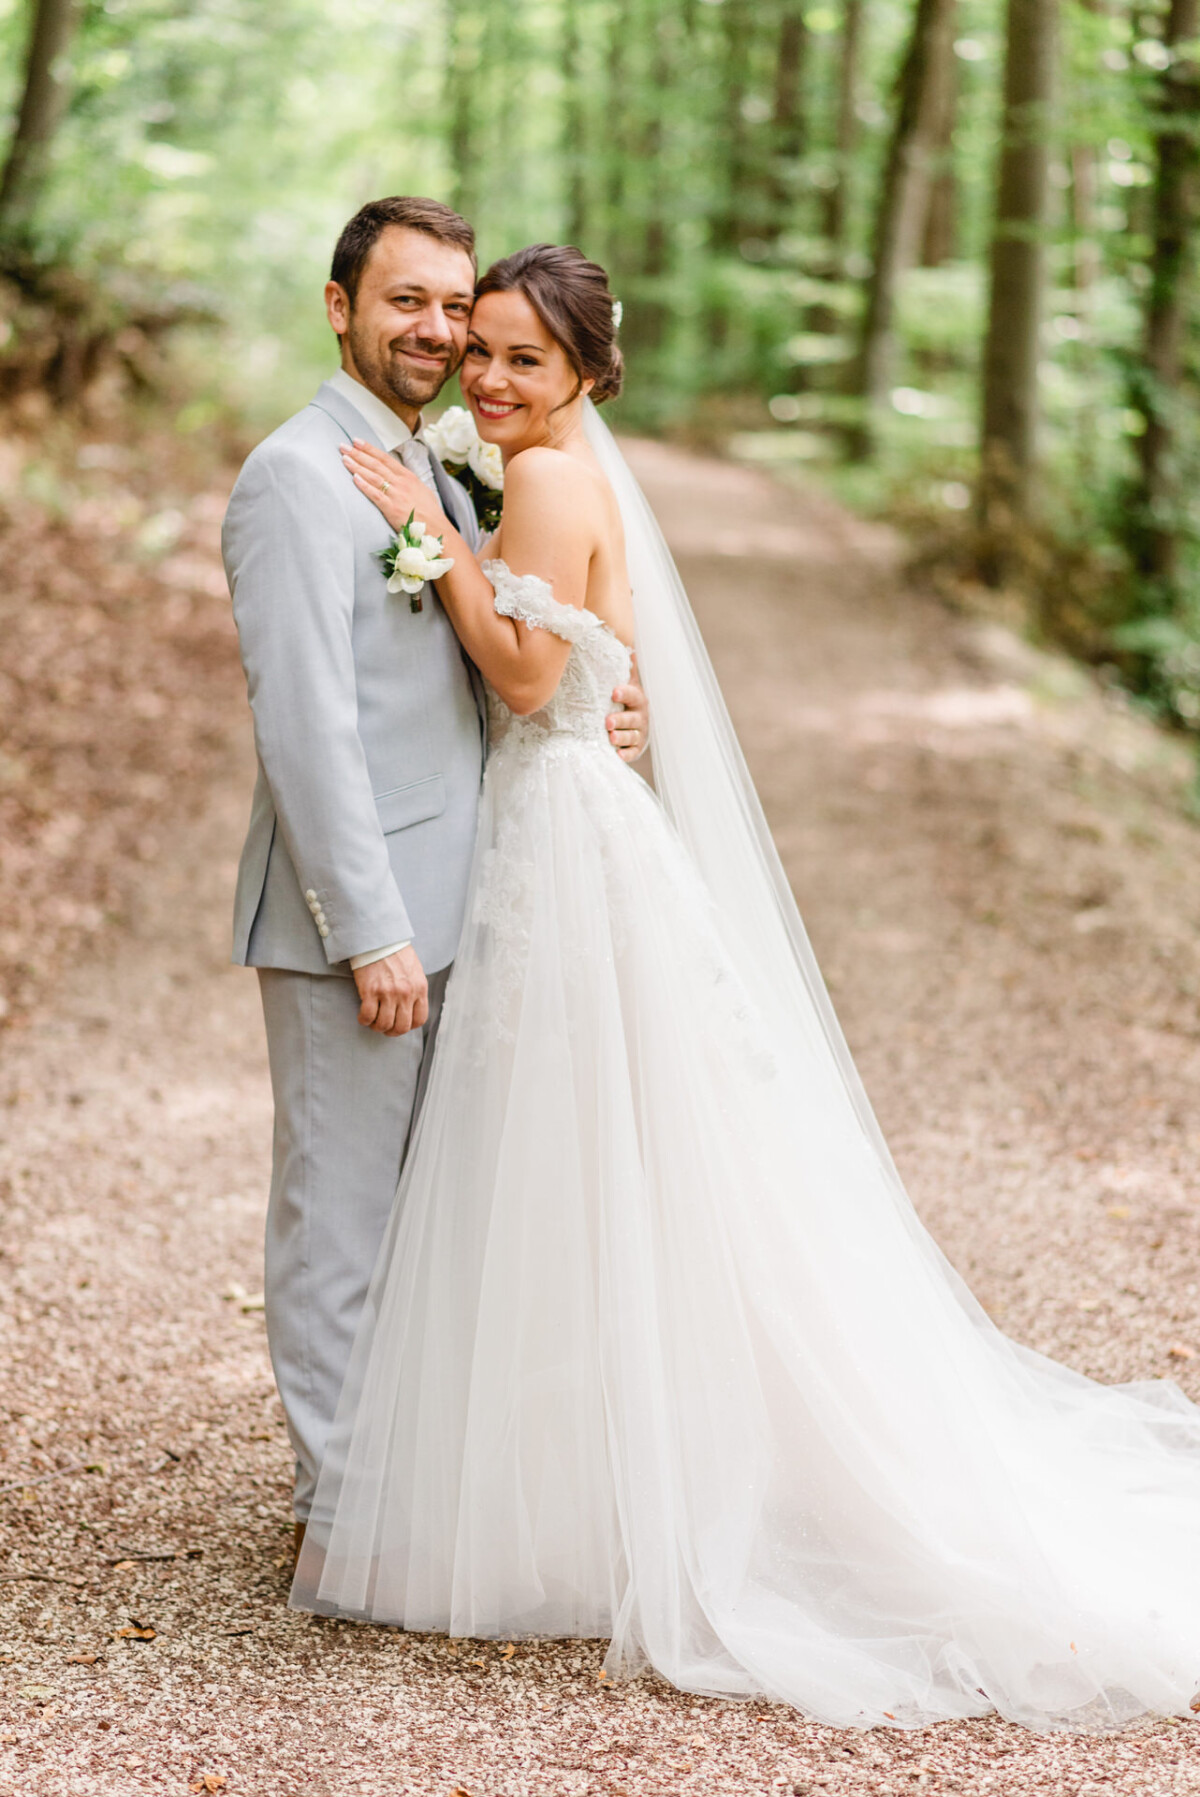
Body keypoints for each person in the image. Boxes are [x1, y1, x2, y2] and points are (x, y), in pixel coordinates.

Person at [292, 240, 1200, 1733]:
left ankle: (594, 1491)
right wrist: (467, 532)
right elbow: (597, 660)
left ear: (588, 368)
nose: (495, 376)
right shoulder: (548, 462)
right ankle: (590, 1470)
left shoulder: (550, 476)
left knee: (573, 1154)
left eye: (529, 356)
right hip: (572, 814)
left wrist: (437, 543)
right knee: (599, 1158)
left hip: (561, 830)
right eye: (486, 351)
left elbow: (527, 681)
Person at [221, 200, 649, 1556]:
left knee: (437, 1217)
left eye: (453, 306)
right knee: (339, 1220)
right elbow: (306, 724)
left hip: (480, 886)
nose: (439, 331)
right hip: (368, 920)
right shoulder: (298, 476)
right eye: (405, 300)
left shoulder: (448, 464)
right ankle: (342, 1519)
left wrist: (607, 690)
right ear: (338, 305)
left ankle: (413, 1493)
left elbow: (534, 643)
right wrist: (369, 933)